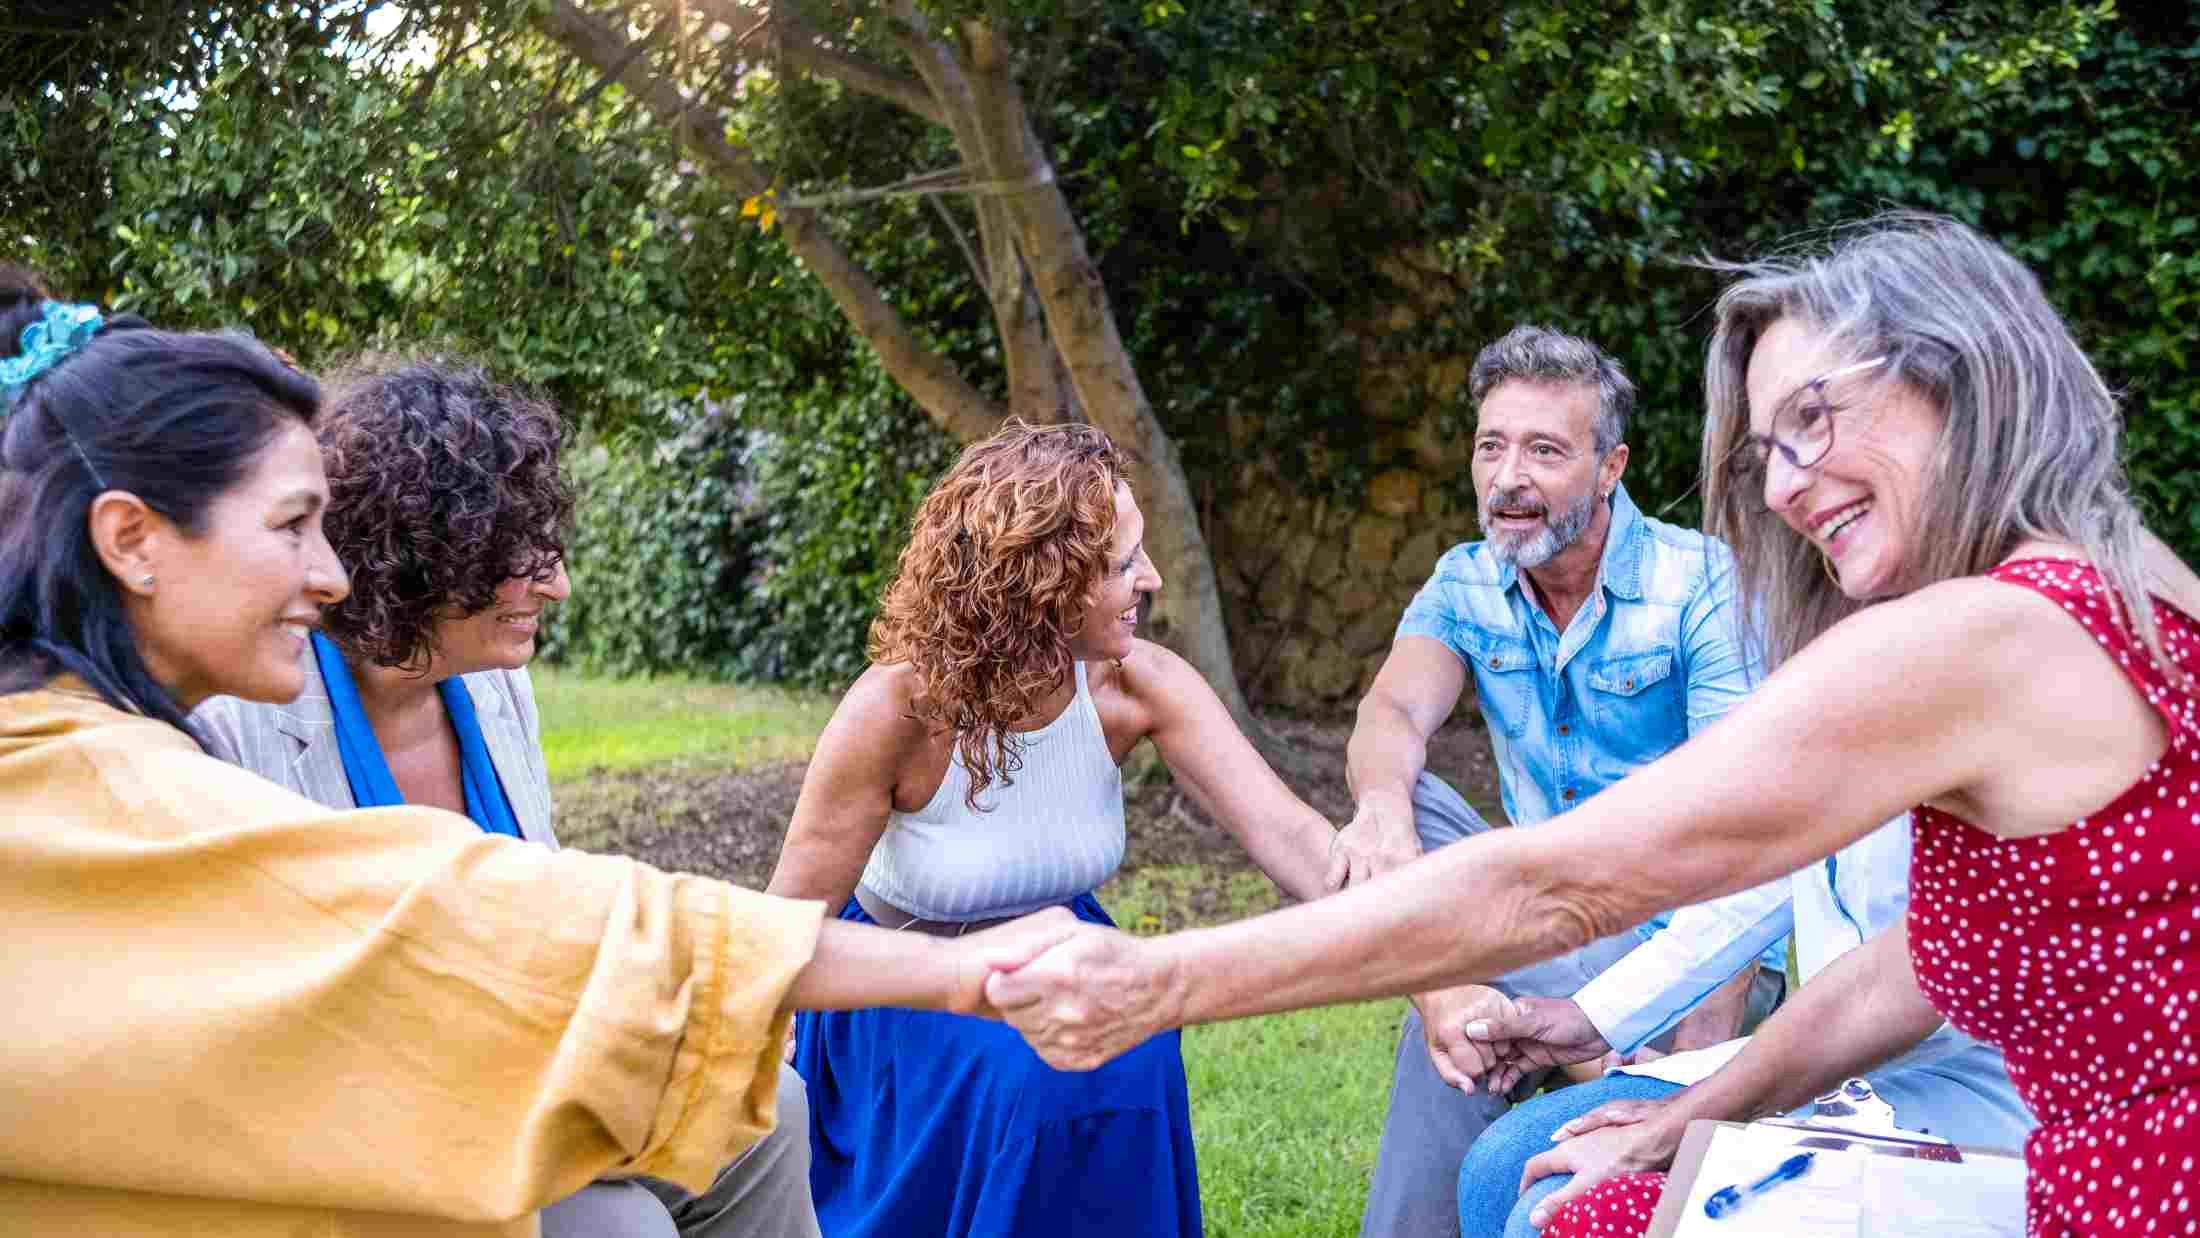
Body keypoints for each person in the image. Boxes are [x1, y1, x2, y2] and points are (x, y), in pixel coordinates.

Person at [982, 214, 2200, 1238]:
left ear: (1955, 371)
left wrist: (1163, 976)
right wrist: (1689, 1112)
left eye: (1815, 417)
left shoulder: (1966, 637)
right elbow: (1913, 956)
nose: (1780, 485)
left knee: (1569, 1203)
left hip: (2113, 1190)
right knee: (1552, 1162)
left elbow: (1563, 883)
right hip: (2088, 1156)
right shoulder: (2135, 576)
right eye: (1768, 448)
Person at [0, 273, 1073, 1236]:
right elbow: (479, 914)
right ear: (130, 539)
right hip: (377, 1111)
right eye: (290, 527)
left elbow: (531, 901)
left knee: (762, 1108)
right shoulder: (138, 774)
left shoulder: (92, 741)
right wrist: (952, 967)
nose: (327, 575)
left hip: (458, 1057)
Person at [189, 354, 819, 1238]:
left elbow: (542, 915)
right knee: (620, 1230)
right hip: (363, 1121)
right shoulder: (241, 720)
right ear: (416, 559)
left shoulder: (493, 684)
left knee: (766, 1105)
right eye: (519, 560)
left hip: (518, 1071)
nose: (555, 585)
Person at [765, 419, 1349, 1238]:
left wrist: (1436, 971)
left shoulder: (1134, 685)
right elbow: (786, 921)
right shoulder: (899, 709)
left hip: (1067, 952)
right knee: (1033, 1075)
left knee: (1135, 1049)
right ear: (1043, 581)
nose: (1150, 579)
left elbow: (1293, 837)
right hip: (907, 986)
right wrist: (756, 1033)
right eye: (1121, 565)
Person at [1339, 325, 1787, 1238]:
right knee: (1404, 799)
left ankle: (1493, 1015)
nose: (1509, 479)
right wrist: (1382, 814)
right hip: (1536, 921)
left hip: (1685, 948)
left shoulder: (1699, 585)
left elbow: (1740, 830)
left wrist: (1687, 1076)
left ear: (1610, 465)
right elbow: (1390, 715)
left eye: (1545, 450)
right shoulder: (1466, 582)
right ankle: (1457, 1001)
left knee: (1463, 1014)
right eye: (1491, 446)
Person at [1450, 812, 2033, 1237]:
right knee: (1500, 1162)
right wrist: (1595, 1016)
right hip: (1817, 1064)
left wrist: (1683, 1124)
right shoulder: (1833, 701)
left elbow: (1889, 993)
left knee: (1551, 1209)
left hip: (1969, 1086)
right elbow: (1764, 873)